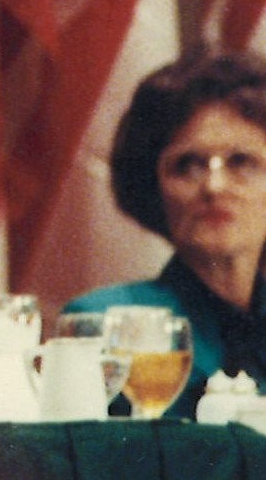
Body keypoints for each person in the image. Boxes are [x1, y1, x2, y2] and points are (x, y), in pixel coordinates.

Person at [61, 50, 266, 419]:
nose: (214, 187)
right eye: (188, 164)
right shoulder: (103, 322)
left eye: (242, 162)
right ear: (151, 185)